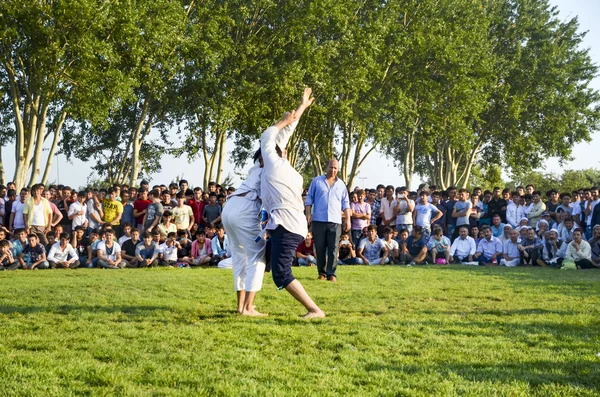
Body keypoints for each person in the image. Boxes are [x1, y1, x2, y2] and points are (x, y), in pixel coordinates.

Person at [260, 87, 325, 318]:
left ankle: (314, 309)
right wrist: (302, 107)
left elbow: (270, 136)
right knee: (268, 263)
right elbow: (285, 136)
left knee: (281, 273)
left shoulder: (274, 164)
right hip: (286, 224)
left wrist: (284, 120)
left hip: (287, 225)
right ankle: (247, 305)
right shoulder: (288, 170)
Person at [304, 159, 351, 282]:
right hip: (319, 220)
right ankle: (322, 273)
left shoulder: (341, 185)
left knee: (333, 248)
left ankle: (332, 274)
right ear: (326, 167)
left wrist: (348, 219)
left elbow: (346, 203)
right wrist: (308, 214)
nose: (333, 170)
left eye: (336, 168)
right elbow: (309, 199)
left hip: (335, 221)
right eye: (331, 167)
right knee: (320, 247)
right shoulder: (317, 181)